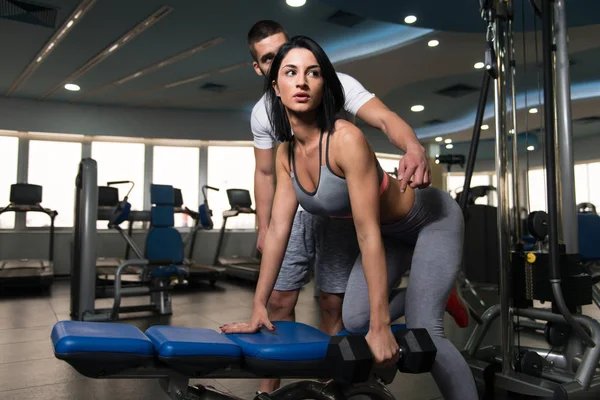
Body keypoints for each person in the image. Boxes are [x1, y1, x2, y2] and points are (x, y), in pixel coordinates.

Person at [222, 36, 478, 400]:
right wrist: (258, 307)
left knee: (425, 329)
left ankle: (432, 304)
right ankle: (434, 292)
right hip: (390, 235)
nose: (301, 81)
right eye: (290, 72)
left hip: (430, 221)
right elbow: (279, 229)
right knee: (355, 321)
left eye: (312, 73)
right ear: (275, 88)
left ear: (325, 84)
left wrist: (383, 326)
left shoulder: (346, 140)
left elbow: (367, 234)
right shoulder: (285, 154)